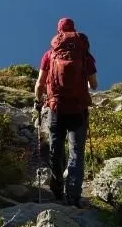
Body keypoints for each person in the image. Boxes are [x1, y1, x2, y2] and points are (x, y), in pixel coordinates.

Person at [34, 17, 98, 207]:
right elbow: (94, 84)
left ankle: (56, 189)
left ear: (58, 32)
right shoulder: (85, 55)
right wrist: (84, 84)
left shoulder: (50, 55)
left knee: (56, 148)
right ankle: (74, 196)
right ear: (74, 31)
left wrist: (38, 100)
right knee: (76, 152)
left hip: (56, 109)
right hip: (78, 109)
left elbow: (39, 84)